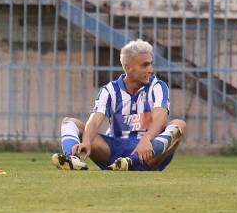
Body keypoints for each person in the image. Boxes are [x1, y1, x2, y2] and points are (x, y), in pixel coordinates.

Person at [51, 39, 186, 171]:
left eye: (151, 64)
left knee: (179, 124)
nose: (150, 70)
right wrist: (86, 141)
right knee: (69, 122)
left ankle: (130, 162)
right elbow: (94, 120)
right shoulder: (110, 90)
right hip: (114, 151)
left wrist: (146, 140)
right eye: (145, 65)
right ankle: (72, 159)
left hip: (149, 152)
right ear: (128, 68)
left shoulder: (158, 87)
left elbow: (161, 119)